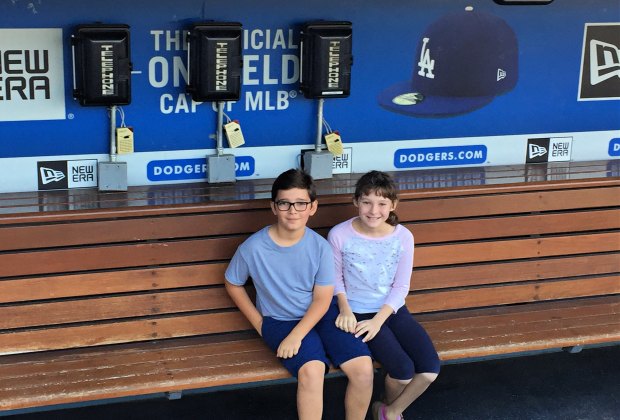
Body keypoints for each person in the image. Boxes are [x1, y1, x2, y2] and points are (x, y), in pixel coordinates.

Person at [225, 168, 374, 420]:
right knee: (312, 371)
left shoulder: (319, 247)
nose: (292, 211)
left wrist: (297, 336)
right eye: (285, 203)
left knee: (363, 368)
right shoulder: (252, 248)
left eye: (300, 203)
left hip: (321, 315)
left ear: (312, 207)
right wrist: (259, 324)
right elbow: (233, 283)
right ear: (274, 207)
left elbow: (322, 299)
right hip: (280, 321)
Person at [328, 170, 440, 420]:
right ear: (356, 201)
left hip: (391, 310)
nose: (373, 210)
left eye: (381, 203)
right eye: (366, 202)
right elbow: (335, 279)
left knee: (430, 370)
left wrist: (379, 320)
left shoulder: (403, 236)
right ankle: (388, 410)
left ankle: (389, 411)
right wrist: (345, 309)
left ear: (393, 205)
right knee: (402, 370)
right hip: (358, 311)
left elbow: (401, 287)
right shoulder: (340, 234)